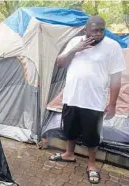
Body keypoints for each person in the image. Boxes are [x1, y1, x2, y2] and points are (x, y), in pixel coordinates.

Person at [49, 16, 125, 184]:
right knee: (70, 129)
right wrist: (75, 49)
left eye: (101, 30)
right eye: (94, 30)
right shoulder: (75, 42)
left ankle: (91, 164)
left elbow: (116, 78)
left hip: (94, 101)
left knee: (92, 135)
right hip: (71, 97)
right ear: (86, 31)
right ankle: (69, 155)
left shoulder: (112, 47)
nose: (98, 33)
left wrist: (112, 104)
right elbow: (60, 63)